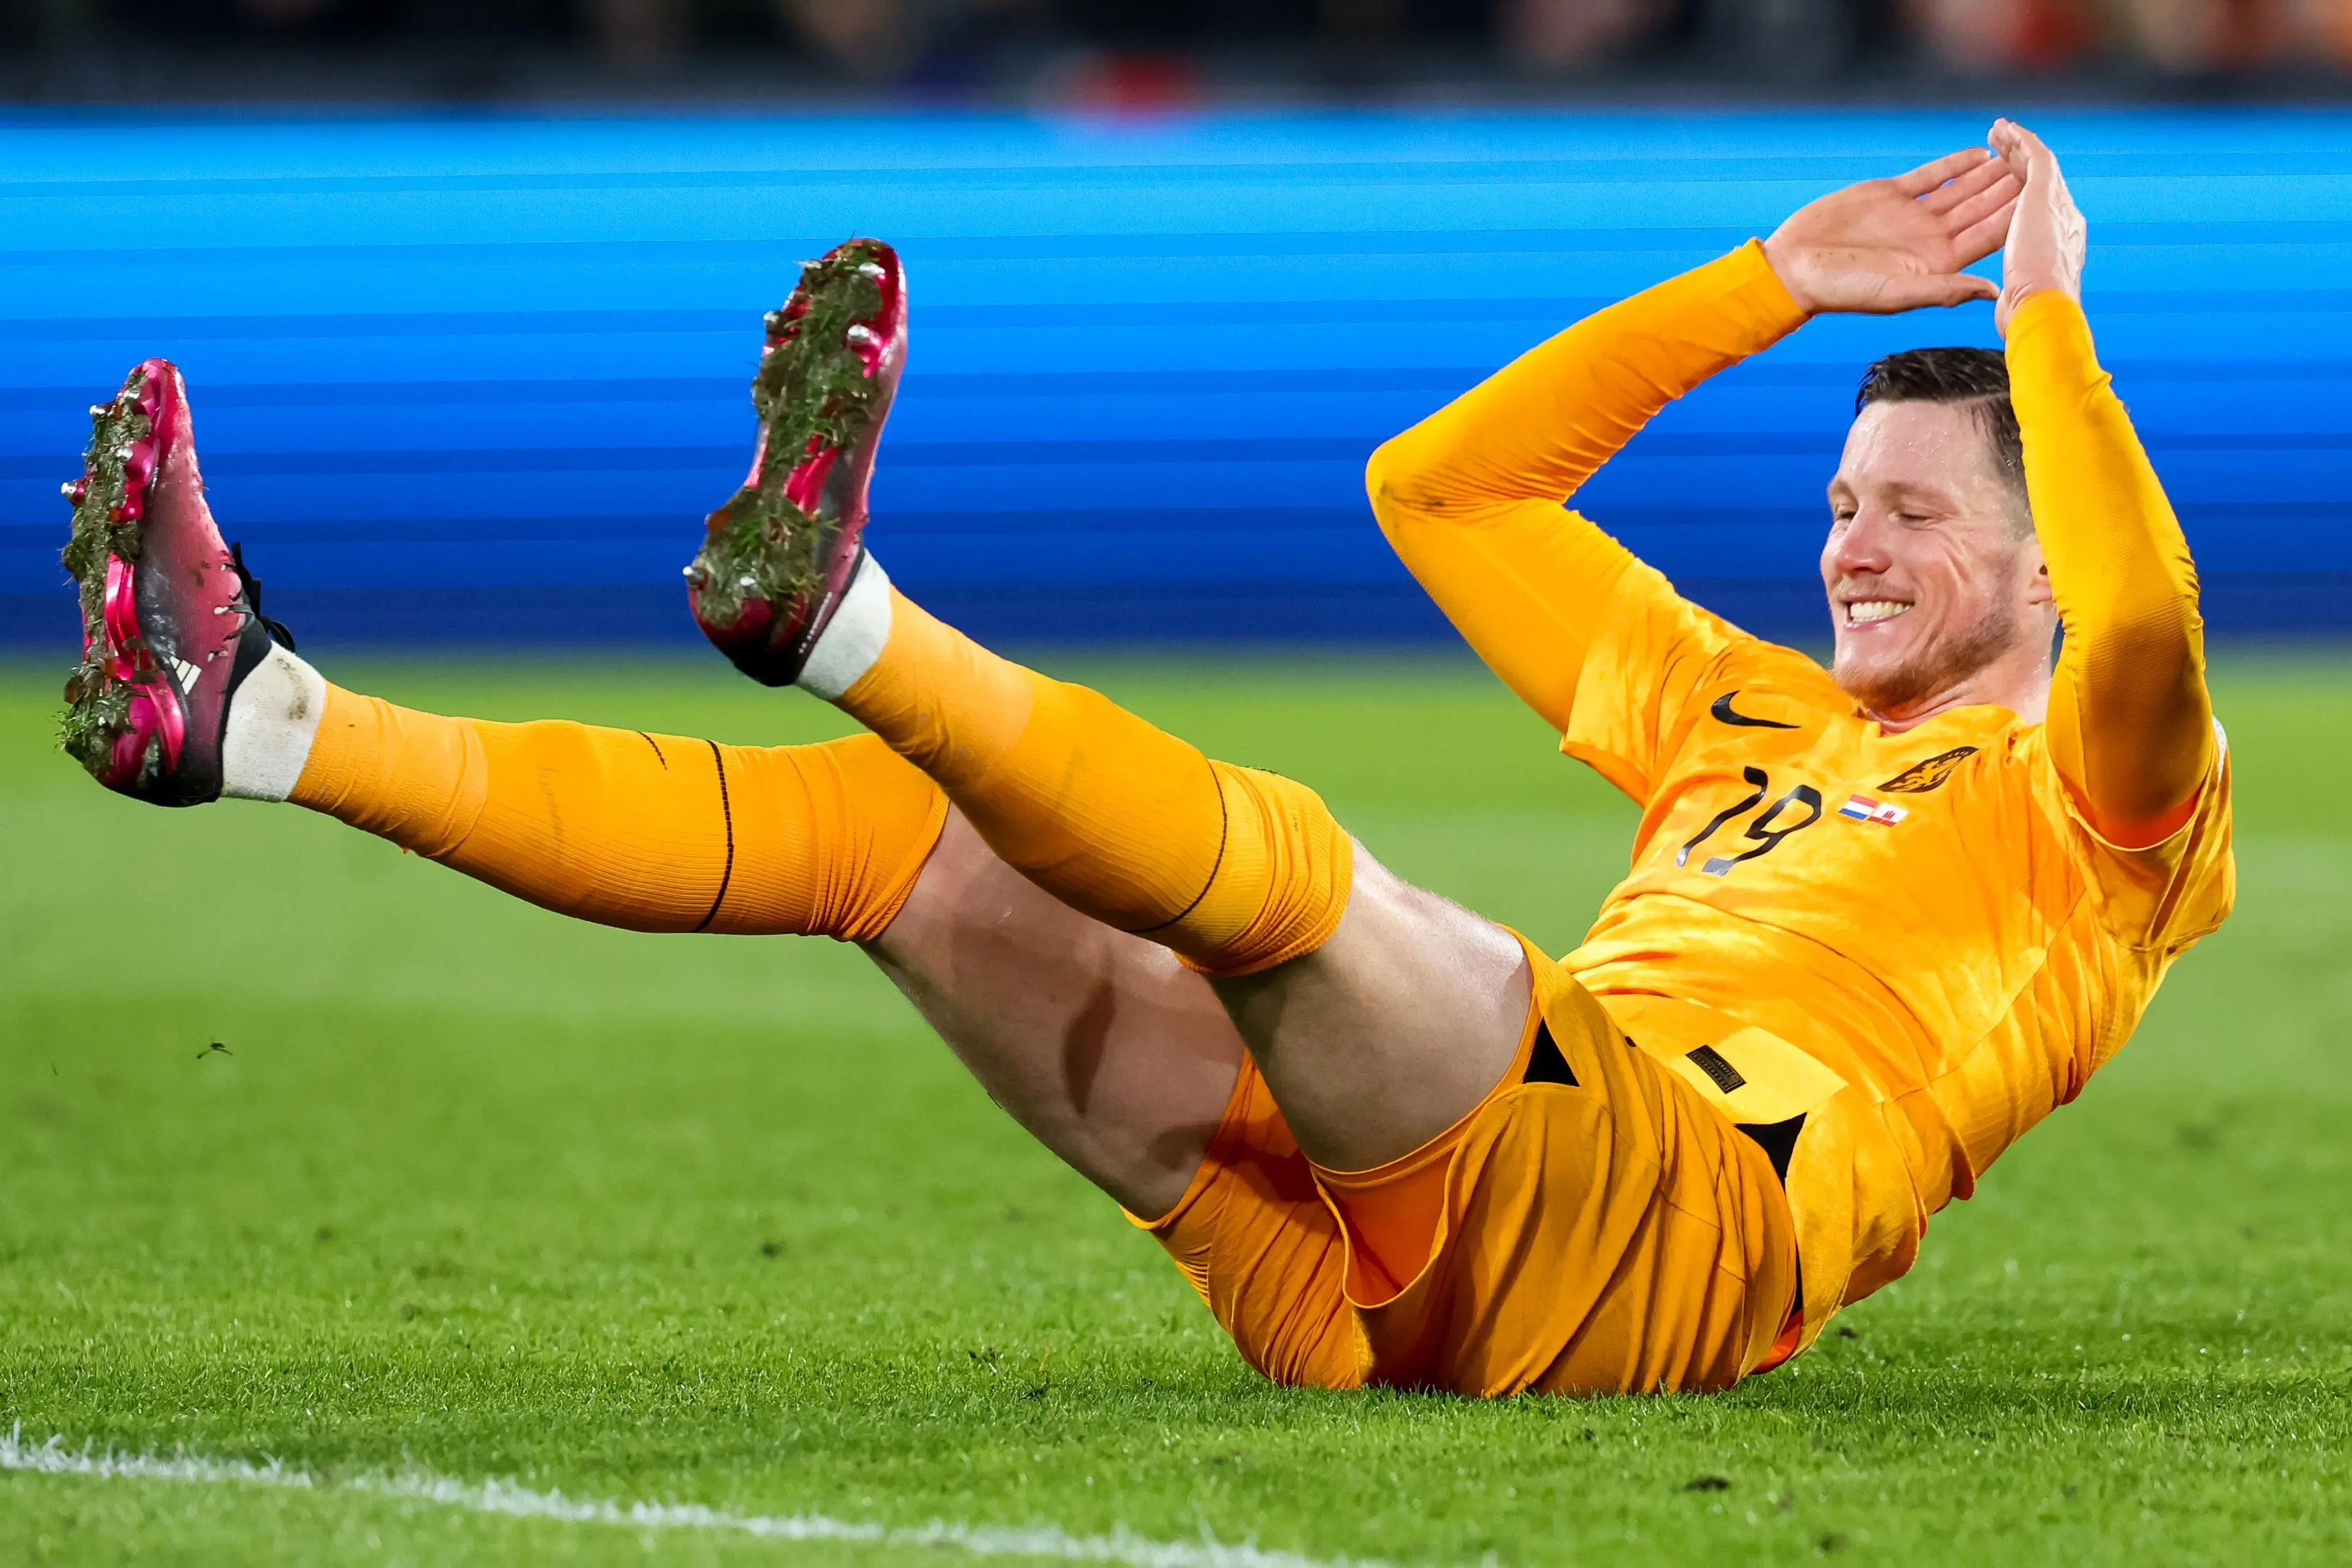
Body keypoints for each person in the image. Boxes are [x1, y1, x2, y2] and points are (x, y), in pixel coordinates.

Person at [56, 119, 2229, 1397]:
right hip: (1372, 1245)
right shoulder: (1742, 706)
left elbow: (2140, 619)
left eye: (1916, 513)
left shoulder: (2108, 806)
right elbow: (1443, 492)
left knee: (1294, 872)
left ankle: (845, 617)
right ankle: (262, 713)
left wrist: (2046, 318)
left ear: (2039, 570)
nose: (1848, 542)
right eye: (1843, 501)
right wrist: (1765, 282)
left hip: (1676, 1230)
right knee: (884, 837)